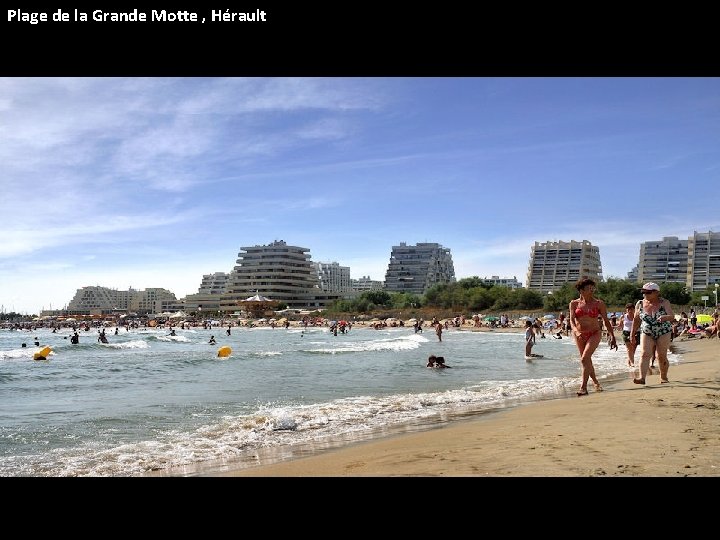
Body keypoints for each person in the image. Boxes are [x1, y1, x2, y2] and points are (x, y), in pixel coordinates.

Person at [568, 277, 617, 396]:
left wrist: (612, 335)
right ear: (581, 290)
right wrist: (576, 331)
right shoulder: (574, 303)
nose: (591, 290)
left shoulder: (599, 303)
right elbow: (572, 320)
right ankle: (595, 382)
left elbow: (606, 320)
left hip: (594, 333)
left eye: (592, 287)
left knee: (584, 358)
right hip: (579, 335)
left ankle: (583, 387)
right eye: (588, 288)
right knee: (586, 360)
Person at [631, 282, 674, 385]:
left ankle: (663, 377)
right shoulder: (640, 304)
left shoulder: (664, 302)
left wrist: (665, 317)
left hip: (663, 331)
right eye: (643, 291)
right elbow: (636, 320)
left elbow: (672, 316)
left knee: (661, 355)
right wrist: (632, 334)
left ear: (656, 293)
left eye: (648, 292)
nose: (645, 294)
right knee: (645, 354)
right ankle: (642, 378)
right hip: (647, 331)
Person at [618, 303, 640, 367]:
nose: (629, 310)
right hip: (626, 333)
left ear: (634, 309)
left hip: (636, 333)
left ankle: (629, 361)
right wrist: (617, 326)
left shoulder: (637, 316)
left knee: (633, 349)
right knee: (629, 348)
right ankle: (632, 363)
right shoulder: (623, 316)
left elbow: (639, 324)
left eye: (631, 309)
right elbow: (621, 325)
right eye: (628, 309)